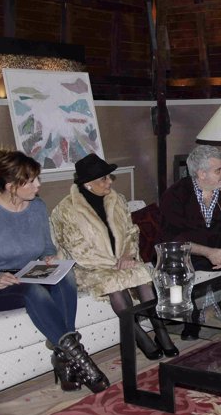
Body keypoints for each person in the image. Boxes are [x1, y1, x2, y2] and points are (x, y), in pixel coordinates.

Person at [0, 149, 109, 394]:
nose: (38, 185)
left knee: (65, 276)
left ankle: (63, 355)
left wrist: (48, 257)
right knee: (32, 291)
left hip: (26, 274)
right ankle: (81, 360)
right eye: (31, 181)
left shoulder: (37, 207)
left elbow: (45, 245)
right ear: (11, 186)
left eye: (38, 178)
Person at [51, 153, 178, 361]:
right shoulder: (66, 210)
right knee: (113, 282)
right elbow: (77, 250)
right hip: (89, 267)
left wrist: (127, 254)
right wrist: (114, 264)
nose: (110, 181)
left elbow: (131, 232)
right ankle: (139, 335)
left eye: (109, 177)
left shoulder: (116, 199)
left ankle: (160, 331)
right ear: (88, 183)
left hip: (121, 261)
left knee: (142, 274)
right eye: (104, 178)